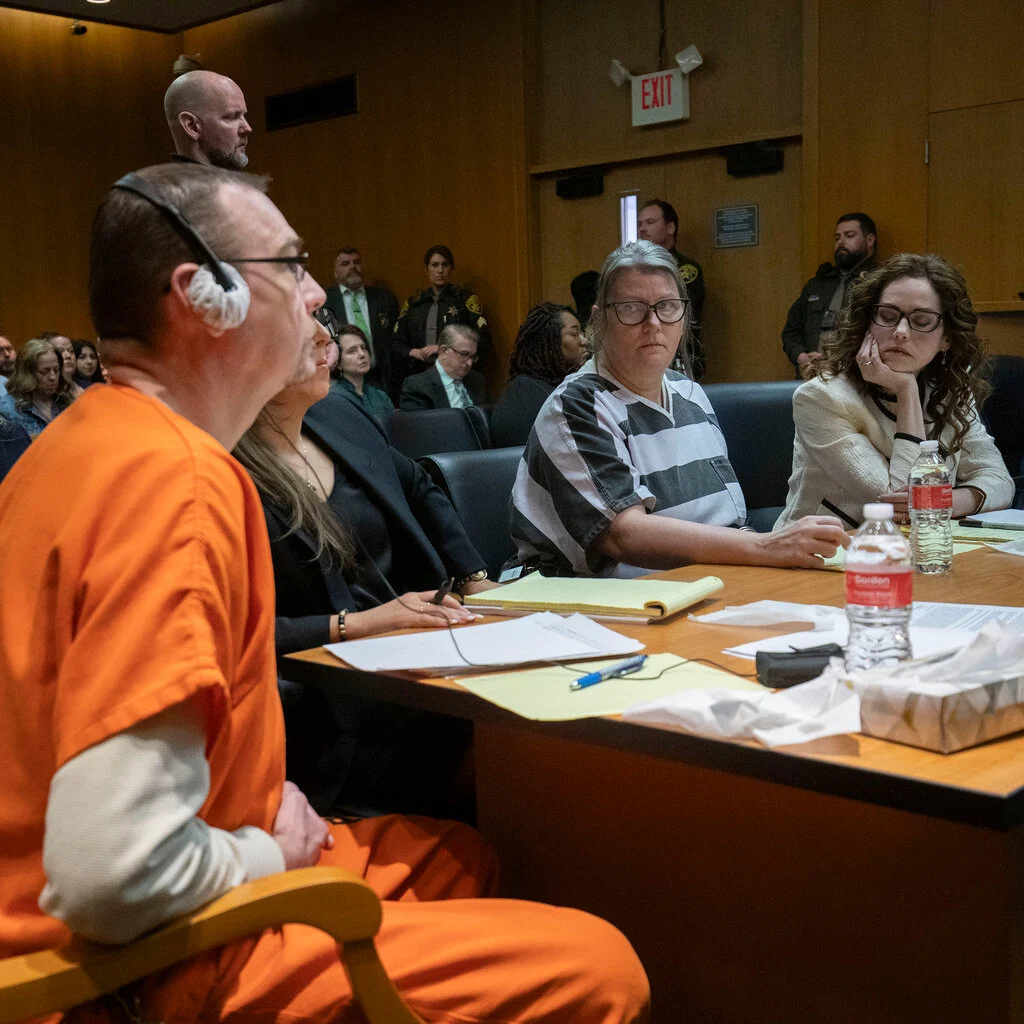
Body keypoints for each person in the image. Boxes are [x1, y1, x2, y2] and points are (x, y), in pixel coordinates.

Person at [0, 161, 649, 1024]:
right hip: (124, 966)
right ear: (204, 296)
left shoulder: (83, 442)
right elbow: (114, 877)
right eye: (291, 267)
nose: (317, 298)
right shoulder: (177, 483)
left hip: (125, 898)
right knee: (603, 969)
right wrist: (265, 849)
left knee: (453, 854)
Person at [234, 331, 494, 816]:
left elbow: (418, 485)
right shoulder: (218, 464)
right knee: (514, 751)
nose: (323, 336)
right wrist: (357, 626)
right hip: (337, 712)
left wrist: (472, 575)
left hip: (424, 663)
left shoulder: (337, 413)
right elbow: (229, 636)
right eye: (302, 318)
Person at [509, 240, 847, 578]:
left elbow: (727, 520)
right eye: (631, 308)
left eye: (668, 306)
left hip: (701, 584)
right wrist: (766, 547)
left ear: (684, 318)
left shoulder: (689, 392)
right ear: (599, 320)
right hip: (579, 603)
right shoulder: (576, 404)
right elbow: (622, 535)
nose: (653, 323)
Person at [775, 253, 1014, 529]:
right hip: (826, 555)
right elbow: (895, 501)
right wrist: (906, 390)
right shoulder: (821, 398)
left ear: (947, 338)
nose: (901, 331)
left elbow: (999, 480)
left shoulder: (950, 392)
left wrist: (948, 501)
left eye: (921, 321)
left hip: (919, 548)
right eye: (887, 316)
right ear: (867, 323)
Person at [782, 212, 878, 375]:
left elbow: (882, 337)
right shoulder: (817, 285)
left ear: (869, 240)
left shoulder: (878, 283)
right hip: (810, 378)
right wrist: (802, 358)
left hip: (855, 378)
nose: (841, 242)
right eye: (837, 238)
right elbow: (791, 331)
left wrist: (837, 360)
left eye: (849, 235)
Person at [491, 302, 586, 447]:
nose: (584, 341)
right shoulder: (524, 393)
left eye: (582, 333)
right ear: (548, 341)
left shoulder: (558, 386)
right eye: (574, 334)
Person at [392, 244, 491, 382]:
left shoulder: (465, 301)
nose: (440, 270)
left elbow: (482, 339)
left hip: (457, 376)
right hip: (420, 374)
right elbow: (396, 342)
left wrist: (445, 350)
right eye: (435, 265)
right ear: (426, 269)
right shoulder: (414, 304)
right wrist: (413, 352)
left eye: (445, 265)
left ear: (451, 269)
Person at [637, 198, 706, 378]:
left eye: (650, 222)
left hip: (680, 356)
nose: (642, 229)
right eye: (640, 224)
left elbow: (683, 316)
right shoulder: (633, 271)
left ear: (670, 228)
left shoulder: (686, 270)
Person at [322, 247, 400, 395]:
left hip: (382, 378)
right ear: (335, 273)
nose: (352, 266)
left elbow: (395, 339)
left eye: (356, 262)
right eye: (345, 264)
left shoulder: (385, 298)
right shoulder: (325, 301)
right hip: (342, 380)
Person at [164, 69, 251, 169]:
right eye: (232, 117)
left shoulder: (234, 182)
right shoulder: (171, 184)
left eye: (244, 116)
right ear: (192, 126)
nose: (247, 128)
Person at [0, 337, 75, 438]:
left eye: (56, 370)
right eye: (44, 372)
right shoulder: (6, 409)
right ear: (26, 373)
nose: (53, 377)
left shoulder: (66, 400)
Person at [400, 323, 486, 410]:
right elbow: (418, 423)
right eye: (464, 354)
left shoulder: (477, 380)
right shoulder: (417, 386)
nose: (470, 363)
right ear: (444, 351)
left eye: (473, 357)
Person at [328, 323, 394, 417]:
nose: (362, 354)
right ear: (338, 363)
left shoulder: (380, 396)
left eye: (363, 348)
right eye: (352, 351)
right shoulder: (333, 398)